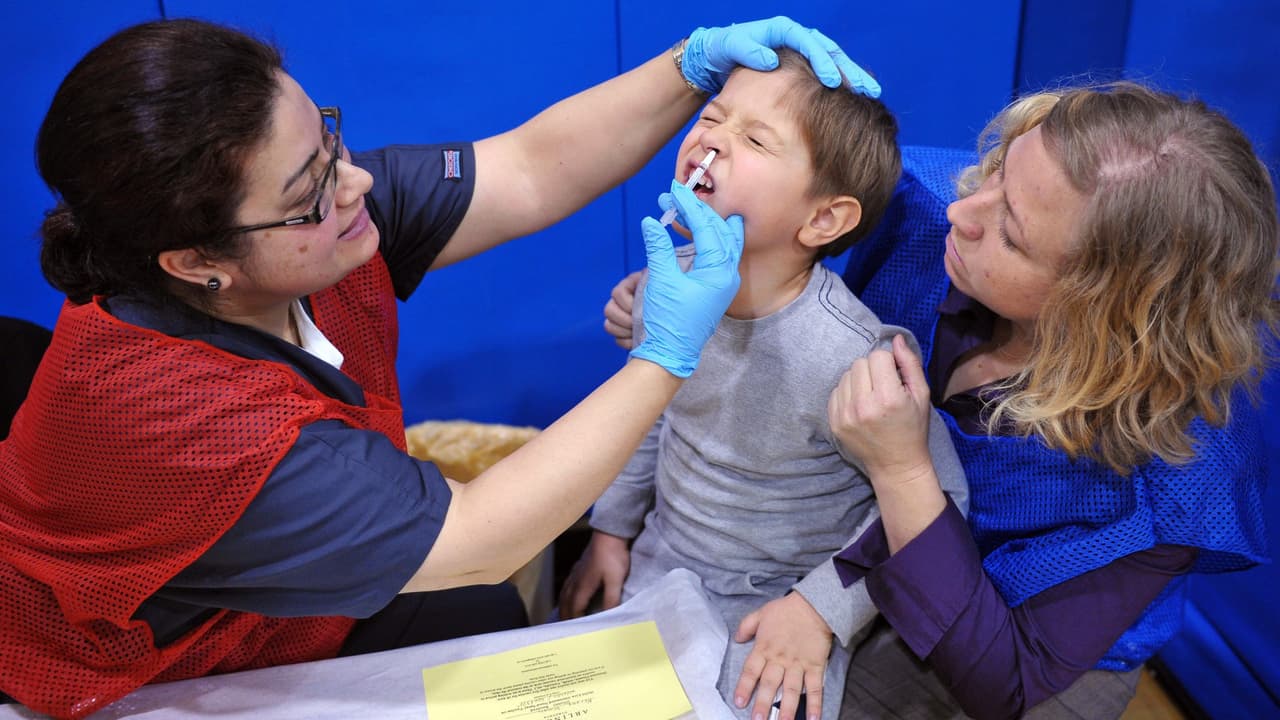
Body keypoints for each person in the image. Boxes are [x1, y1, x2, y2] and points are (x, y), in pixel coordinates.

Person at [0, 16, 881, 719]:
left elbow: (530, 170)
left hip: (303, 603)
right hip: (134, 668)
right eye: (310, 191)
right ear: (198, 263)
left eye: (329, 143)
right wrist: (663, 357)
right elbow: (478, 540)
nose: (356, 186)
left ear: (829, 217)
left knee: (493, 620)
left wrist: (689, 67)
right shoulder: (181, 426)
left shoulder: (316, 219)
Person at [601, 81, 1277, 719]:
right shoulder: (927, 214)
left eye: (1010, 232)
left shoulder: (1181, 482)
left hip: (1016, 642)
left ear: (1103, 312)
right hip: (863, 554)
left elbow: (1005, 679)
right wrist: (684, 335)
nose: (961, 212)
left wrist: (899, 475)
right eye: (994, 173)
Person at [558, 49, 969, 720]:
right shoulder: (673, 281)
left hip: (773, 614)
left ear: (824, 221)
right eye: (713, 116)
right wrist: (610, 532)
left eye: (753, 138)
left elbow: (930, 503)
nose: (712, 138)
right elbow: (646, 413)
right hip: (658, 572)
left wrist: (821, 610)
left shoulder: (855, 351)